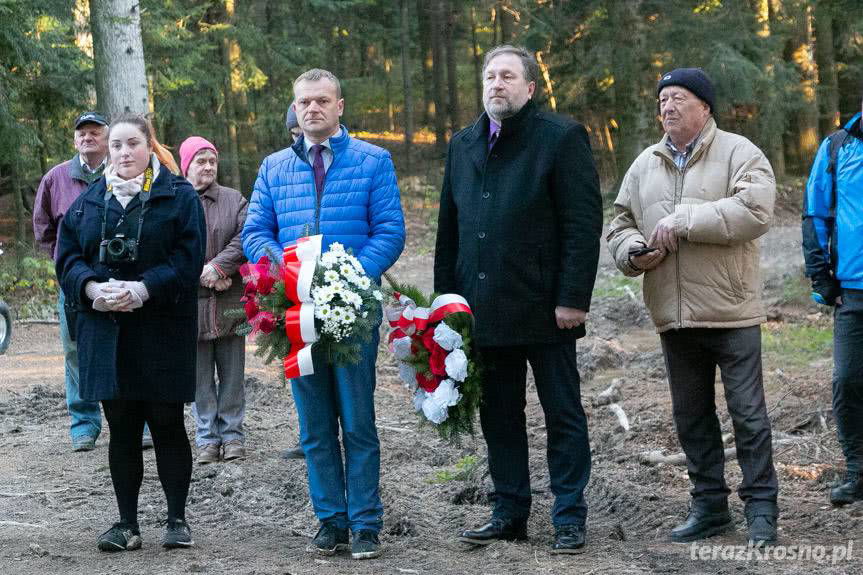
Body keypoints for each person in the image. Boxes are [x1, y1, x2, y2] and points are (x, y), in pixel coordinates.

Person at [434, 45, 602, 554]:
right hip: (483, 307)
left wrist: (573, 297)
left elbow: (581, 223)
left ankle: (569, 516)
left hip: (548, 308)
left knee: (562, 413)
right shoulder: (463, 144)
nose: (496, 84)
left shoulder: (561, 138)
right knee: (499, 415)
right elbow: (449, 230)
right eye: (489, 76)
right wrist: (447, 306)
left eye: (507, 76)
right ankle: (509, 512)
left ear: (530, 87)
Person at [606, 68, 779, 545]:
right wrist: (633, 251)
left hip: (731, 310)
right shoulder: (644, 164)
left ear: (705, 106)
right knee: (691, 416)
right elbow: (619, 223)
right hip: (673, 314)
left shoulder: (740, 152)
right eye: (662, 99)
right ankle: (709, 507)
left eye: (678, 97)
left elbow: (757, 209)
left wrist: (686, 219)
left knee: (748, 414)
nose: (668, 106)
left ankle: (762, 510)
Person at [243, 68, 404, 560]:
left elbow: (390, 231)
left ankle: (366, 523)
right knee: (314, 425)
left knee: (357, 421)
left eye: (322, 101)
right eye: (304, 102)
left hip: (352, 311)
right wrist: (287, 271)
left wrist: (347, 277)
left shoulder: (374, 161)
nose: (312, 109)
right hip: (295, 313)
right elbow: (255, 233)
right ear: (295, 109)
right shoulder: (273, 167)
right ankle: (330, 521)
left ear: (339, 107)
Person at [56, 114, 205, 551]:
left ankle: (177, 519)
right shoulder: (88, 202)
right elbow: (66, 257)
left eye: (133, 144)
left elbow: (188, 258)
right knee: (121, 427)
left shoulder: (177, 196)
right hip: (107, 330)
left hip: (162, 329)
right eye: (116, 145)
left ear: (149, 146)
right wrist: (90, 286)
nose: (124, 153)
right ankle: (127, 524)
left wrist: (145, 287)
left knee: (165, 422)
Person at [34, 111, 108, 452]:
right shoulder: (56, 178)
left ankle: (137, 423)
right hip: (73, 283)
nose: (87, 137)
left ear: (107, 138)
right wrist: (66, 265)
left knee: (126, 345)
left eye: (95, 132)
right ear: (75, 139)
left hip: (119, 278)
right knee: (76, 350)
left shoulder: (121, 172)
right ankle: (84, 422)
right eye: (82, 133)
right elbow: (44, 230)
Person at [802, 97, 863, 506]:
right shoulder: (839, 146)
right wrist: (821, 275)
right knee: (848, 380)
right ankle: (858, 471)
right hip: (853, 291)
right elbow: (814, 213)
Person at [178, 136, 249, 465]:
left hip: (231, 300)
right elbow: (166, 249)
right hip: (188, 304)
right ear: (186, 165)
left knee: (233, 371)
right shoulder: (174, 201)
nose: (207, 167)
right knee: (199, 375)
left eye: (212, 161)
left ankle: (233, 435)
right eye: (200, 161)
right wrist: (201, 273)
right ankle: (207, 436)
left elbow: (246, 235)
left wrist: (221, 266)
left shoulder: (234, 199)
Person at [280, 106, 306, 462]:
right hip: (292, 284)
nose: (299, 140)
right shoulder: (279, 167)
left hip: (333, 280)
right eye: (294, 134)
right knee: (300, 362)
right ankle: (309, 432)